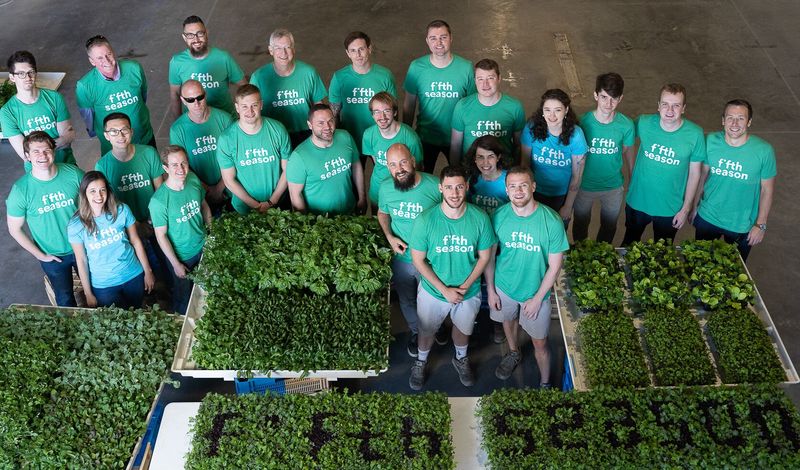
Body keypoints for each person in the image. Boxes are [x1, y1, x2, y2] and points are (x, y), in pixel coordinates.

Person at [408, 165, 496, 390]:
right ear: (440, 189)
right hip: (433, 290)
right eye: (449, 188)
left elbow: (485, 256)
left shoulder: (479, 218)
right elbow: (418, 260)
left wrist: (465, 287)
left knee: (463, 330)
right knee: (426, 330)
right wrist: (444, 289)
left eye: (459, 187)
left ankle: (461, 358)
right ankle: (421, 361)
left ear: (466, 187)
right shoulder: (426, 220)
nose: (454, 193)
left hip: (469, 291)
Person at [485, 167, 568, 387]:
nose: (518, 191)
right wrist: (491, 289)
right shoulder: (498, 217)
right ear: (506, 189)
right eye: (512, 186)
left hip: (535, 291)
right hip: (504, 286)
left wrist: (538, 298)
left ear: (533, 186)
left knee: (540, 343)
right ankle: (513, 352)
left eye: (523, 185)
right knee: (507, 320)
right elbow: (490, 257)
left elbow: (555, 265)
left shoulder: (551, 221)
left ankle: (544, 382)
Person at [377, 144, 441, 357]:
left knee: (433, 299)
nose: (399, 168)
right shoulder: (385, 188)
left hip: (430, 259)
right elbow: (382, 213)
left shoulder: (434, 186)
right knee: (407, 299)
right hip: (402, 258)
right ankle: (417, 332)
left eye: (403, 162)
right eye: (393, 164)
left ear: (413, 161)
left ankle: (435, 329)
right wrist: (389, 237)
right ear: (387, 168)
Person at [6, 132, 83, 306]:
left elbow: (94, 203)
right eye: (36, 151)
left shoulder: (73, 174)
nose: (42, 155)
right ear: (27, 156)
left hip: (82, 246)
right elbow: (14, 229)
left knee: (95, 289)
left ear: (54, 152)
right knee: (64, 299)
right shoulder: (20, 190)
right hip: (53, 255)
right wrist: (40, 255)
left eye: (47, 150)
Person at [692, 99, 776, 261]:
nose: (735, 123)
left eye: (741, 118)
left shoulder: (764, 151)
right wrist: (694, 206)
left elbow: (767, 190)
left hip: (742, 224)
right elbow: (702, 176)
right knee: (699, 266)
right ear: (723, 120)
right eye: (730, 117)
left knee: (734, 273)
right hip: (708, 217)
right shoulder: (710, 141)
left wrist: (761, 225)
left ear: (749, 122)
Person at [622, 84, 705, 245]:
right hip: (638, 201)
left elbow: (695, 174)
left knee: (663, 253)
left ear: (684, 108)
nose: (669, 110)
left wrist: (685, 209)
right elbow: (622, 135)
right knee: (629, 244)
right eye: (665, 104)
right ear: (658, 106)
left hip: (670, 208)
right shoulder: (644, 122)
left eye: (676, 106)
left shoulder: (695, 134)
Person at [68, 171, 154, 308]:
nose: (99, 196)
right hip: (104, 285)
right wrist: (88, 293)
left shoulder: (122, 210)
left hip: (133, 274)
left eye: (102, 190)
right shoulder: (76, 225)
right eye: (93, 191)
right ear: (84, 194)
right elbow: (81, 260)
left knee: (137, 312)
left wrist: (148, 272)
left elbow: (136, 241)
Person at [403, 19, 475, 173]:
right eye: (433, 38)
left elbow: (472, 105)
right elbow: (409, 105)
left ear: (451, 38)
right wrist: (406, 135)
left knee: (461, 178)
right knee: (422, 178)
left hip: (457, 137)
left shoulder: (466, 67)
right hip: (426, 136)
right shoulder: (417, 67)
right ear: (427, 41)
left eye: (443, 37)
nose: (439, 42)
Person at [573, 73, 635, 243]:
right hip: (584, 185)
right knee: (580, 223)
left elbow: (628, 150)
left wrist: (631, 175)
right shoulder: (582, 122)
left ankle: (601, 256)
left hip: (613, 186)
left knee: (609, 225)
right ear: (595, 95)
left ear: (620, 98)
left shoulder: (626, 125)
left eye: (614, 98)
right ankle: (581, 254)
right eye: (604, 97)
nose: (608, 103)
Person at [149, 146, 211, 315]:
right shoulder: (159, 201)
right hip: (183, 256)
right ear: (165, 168)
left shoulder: (192, 179)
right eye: (174, 165)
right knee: (183, 296)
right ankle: (182, 321)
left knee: (206, 288)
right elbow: (161, 236)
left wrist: (211, 232)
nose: (181, 169)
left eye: (184, 163)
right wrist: (176, 264)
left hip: (203, 246)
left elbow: (204, 205)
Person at [216, 84, 291, 214]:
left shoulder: (278, 130)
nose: (250, 111)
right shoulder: (226, 139)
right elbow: (229, 180)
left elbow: (288, 169)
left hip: (278, 204)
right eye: (244, 106)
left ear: (261, 105)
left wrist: (272, 201)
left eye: (254, 105)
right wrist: (256, 205)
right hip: (244, 209)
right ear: (237, 107)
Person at [76, 35, 154, 154]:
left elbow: (142, 96)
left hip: (144, 138)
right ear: (92, 61)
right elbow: (88, 117)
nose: (106, 61)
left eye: (109, 54)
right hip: (113, 148)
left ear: (113, 52)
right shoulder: (85, 86)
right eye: (100, 58)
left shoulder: (134, 68)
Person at [250, 28, 327, 148]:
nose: (284, 53)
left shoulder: (309, 72)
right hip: (272, 135)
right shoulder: (258, 77)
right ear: (271, 50)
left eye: (287, 47)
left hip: (305, 134)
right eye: (278, 48)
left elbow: (318, 105)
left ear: (294, 48)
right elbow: (251, 109)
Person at [1, 51, 76, 171]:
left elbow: (68, 138)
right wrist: (57, 143)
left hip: (67, 166)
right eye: (21, 73)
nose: (27, 77)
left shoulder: (54, 98)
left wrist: (37, 151)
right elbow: (25, 154)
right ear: (12, 77)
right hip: (37, 175)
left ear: (36, 73)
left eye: (30, 72)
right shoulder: (7, 112)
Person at [286, 104, 365, 215]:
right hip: (320, 223)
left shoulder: (345, 137)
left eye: (330, 121)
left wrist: (362, 197)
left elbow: (356, 166)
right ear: (310, 125)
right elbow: (295, 195)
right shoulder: (298, 157)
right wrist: (306, 224)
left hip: (349, 214)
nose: (327, 127)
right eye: (321, 123)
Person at [170, 79, 234, 214]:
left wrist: (220, 187)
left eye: (200, 97)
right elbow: (181, 165)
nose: (196, 103)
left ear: (205, 94)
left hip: (230, 188)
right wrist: (207, 190)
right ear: (182, 100)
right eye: (190, 100)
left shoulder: (225, 119)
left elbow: (236, 157)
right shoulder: (177, 130)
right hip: (199, 192)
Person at [329, 31, 397, 156]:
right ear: (348, 53)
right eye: (353, 50)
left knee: (384, 174)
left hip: (379, 137)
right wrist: (336, 141)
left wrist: (393, 137)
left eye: (361, 49)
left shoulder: (385, 76)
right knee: (354, 175)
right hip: (351, 138)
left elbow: (393, 110)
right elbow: (334, 114)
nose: (358, 55)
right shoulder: (339, 77)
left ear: (369, 49)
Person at [168, 15, 246, 120]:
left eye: (200, 33)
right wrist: (178, 124)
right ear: (184, 37)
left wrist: (244, 116)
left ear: (206, 33)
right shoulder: (177, 62)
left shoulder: (223, 57)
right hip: (195, 123)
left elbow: (244, 87)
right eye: (190, 35)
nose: (196, 39)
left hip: (226, 121)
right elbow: (175, 95)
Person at [449, 59, 525, 165]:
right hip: (471, 168)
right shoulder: (462, 106)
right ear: (475, 80)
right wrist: (456, 172)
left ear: (499, 79)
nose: (485, 84)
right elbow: (456, 145)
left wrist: (515, 171)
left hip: (503, 168)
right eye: (480, 79)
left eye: (490, 78)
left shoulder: (514, 107)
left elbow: (519, 145)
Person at [94, 112, 164, 224]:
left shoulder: (149, 153)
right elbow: (109, 201)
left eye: (124, 130)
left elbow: (160, 189)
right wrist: (134, 225)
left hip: (155, 216)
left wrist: (153, 218)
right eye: (114, 132)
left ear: (131, 132)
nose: (120, 136)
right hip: (125, 222)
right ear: (106, 136)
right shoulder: (102, 166)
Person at [362, 92, 423, 206]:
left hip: (403, 191)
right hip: (378, 189)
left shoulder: (410, 137)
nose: (382, 117)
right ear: (372, 115)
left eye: (387, 111)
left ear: (395, 112)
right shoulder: (368, 135)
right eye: (377, 112)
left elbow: (417, 168)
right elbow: (377, 162)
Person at [465, 135, 511, 215]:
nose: (485, 162)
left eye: (490, 156)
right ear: (474, 159)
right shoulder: (471, 179)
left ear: (498, 157)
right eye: (480, 157)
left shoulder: (510, 179)